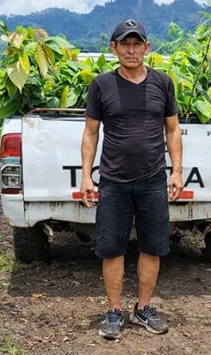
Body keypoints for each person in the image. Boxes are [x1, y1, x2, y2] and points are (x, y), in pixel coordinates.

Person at [80, 18, 184, 340]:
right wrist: (86, 176)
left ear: (146, 48)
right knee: (112, 249)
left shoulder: (163, 83)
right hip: (113, 182)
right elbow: (90, 132)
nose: (131, 49)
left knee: (152, 247)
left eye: (137, 43)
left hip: (153, 181)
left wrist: (177, 170)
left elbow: (173, 129)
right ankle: (114, 311)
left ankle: (143, 308)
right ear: (114, 48)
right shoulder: (102, 86)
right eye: (124, 44)